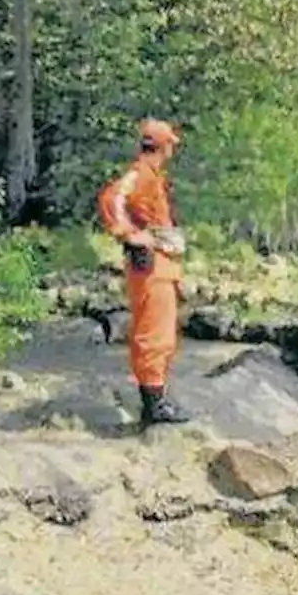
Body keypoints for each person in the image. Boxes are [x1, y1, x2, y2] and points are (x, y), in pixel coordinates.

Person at [97, 118, 192, 427]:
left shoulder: (151, 175)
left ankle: (155, 398)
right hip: (152, 266)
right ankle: (154, 404)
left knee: (158, 333)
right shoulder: (141, 174)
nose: (171, 152)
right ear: (163, 147)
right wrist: (129, 234)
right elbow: (113, 198)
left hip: (158, 265)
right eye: (170, 146)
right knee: (155, 335)